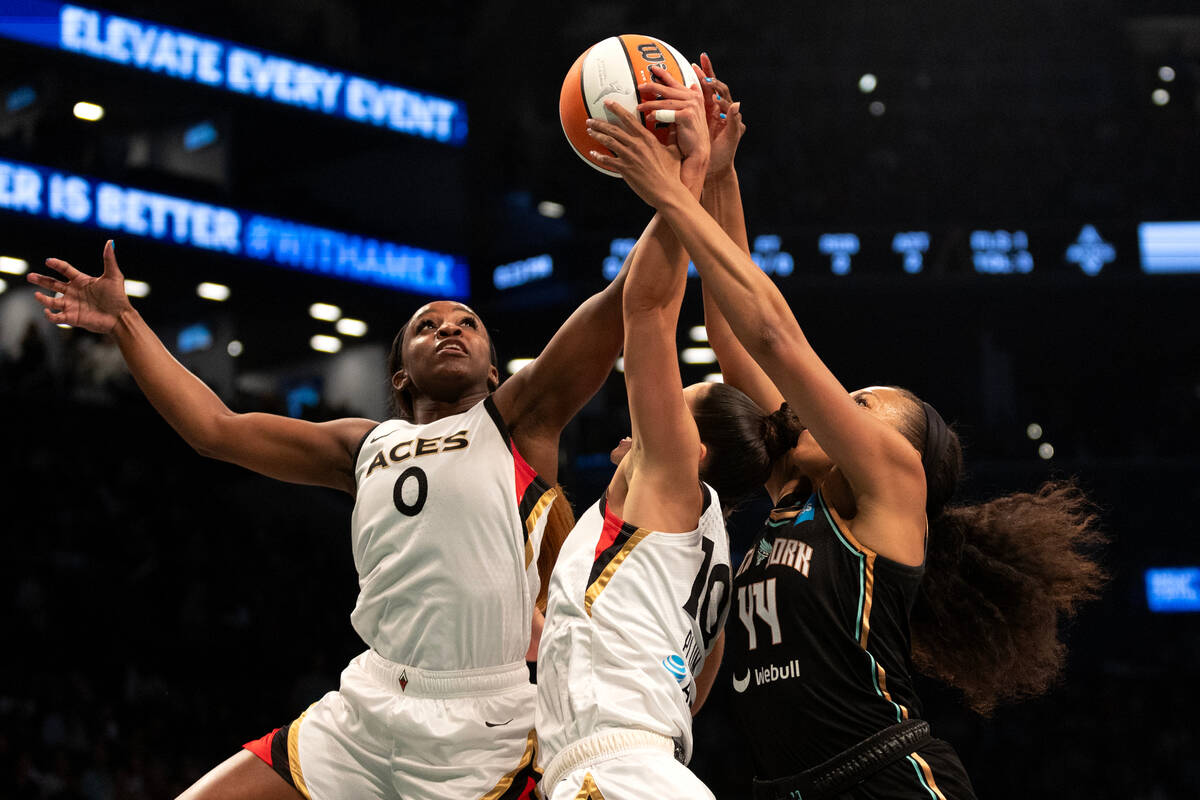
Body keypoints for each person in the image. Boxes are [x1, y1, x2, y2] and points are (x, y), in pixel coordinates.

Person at [587, 60, 1106, 799]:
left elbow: (774, 338)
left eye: (860, 405)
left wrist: (673, 191)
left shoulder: (893, 485)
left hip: (886, 776)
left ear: (896, 450)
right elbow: (734, 337)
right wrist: (723, 175)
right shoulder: (796, 490)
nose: (837, 405)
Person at [27, 239, 627, 800]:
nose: (449, 328)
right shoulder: (362, 445)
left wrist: (671, 194)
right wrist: (125, 322)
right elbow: (214, 429)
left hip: (481, 720)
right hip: (368, 705)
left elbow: (620, 303)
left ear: (494, 371)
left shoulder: (517, 421)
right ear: (400, 374)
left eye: (467, 324)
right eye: (426, 326)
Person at [535, 69, 792, 800]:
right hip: (647, 766)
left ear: (693, 448)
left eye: (677, 403)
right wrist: (720, 179)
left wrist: (686, 171)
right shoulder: (709, 542)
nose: (655, 412)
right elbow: (694, 685)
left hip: (616, 771)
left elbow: (647, 308)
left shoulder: (676, 479)